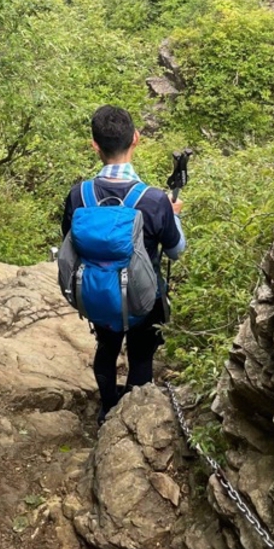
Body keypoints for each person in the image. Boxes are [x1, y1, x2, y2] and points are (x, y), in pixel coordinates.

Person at [61, 105, 185, 424]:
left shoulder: (79, 195)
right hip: (143, 300)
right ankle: (131, 416)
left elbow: (70, 240)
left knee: (107, 347)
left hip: (98, 295)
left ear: (95, 145)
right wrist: (174, 216)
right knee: (141, 354)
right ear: (136, 139)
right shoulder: (155, 200)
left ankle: (107, 407)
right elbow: (176, 251)